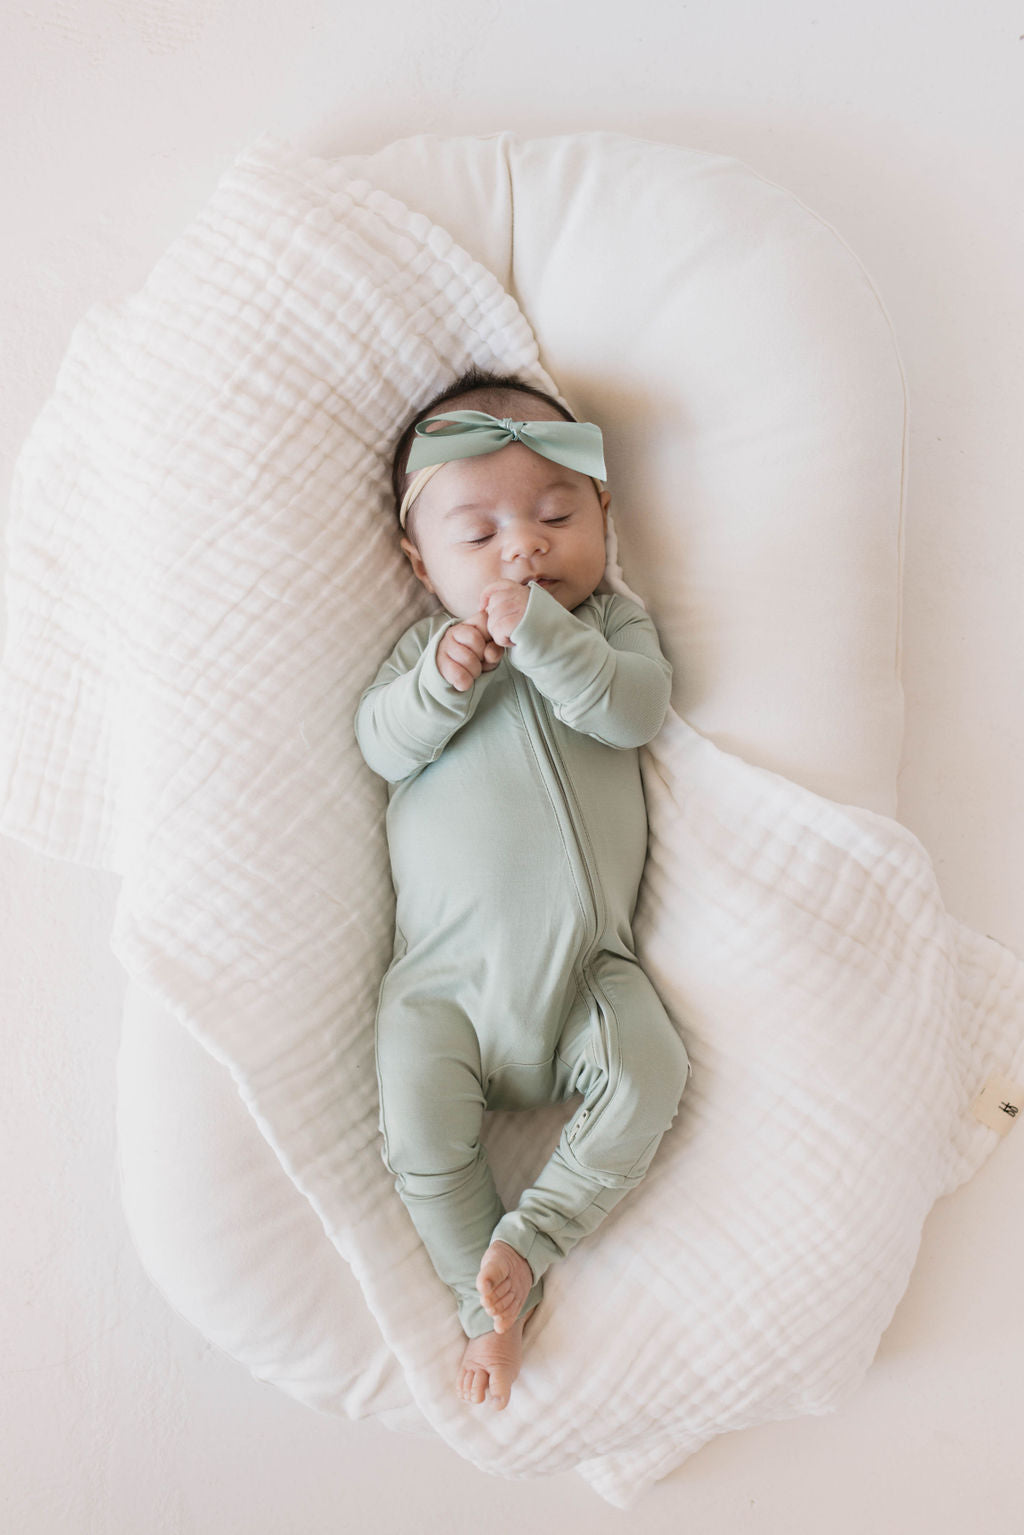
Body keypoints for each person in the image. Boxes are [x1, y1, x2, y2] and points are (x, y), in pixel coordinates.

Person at [354, 367, 690, 1410]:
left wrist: (544, 634)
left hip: (591, 970)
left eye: (555, 513)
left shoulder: (613, 635)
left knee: (652, 1070)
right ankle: (486, 1299)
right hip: (442, 984)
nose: (523, 547)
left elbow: (628, 712)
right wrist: (440, 682)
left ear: (602, 516)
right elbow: (379, 743)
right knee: (418, 1129)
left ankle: (534, 1230)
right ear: (419, 561)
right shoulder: (424, 653)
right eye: (479, 533)